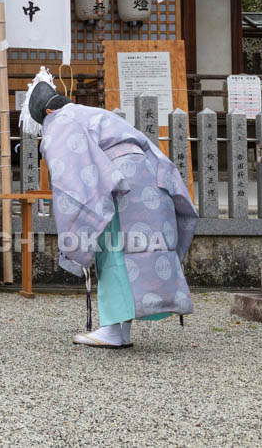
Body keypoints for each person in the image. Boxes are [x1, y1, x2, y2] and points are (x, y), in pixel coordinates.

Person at [21, 69, 197, 349]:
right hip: (151, 178)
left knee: (114, 251)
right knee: (140, 251)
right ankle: (120, 328)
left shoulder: (59, 121)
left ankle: (114, 331)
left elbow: (71, 179)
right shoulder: (91, 113)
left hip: (121, 185)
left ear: (49, 111)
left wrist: (79, 218)